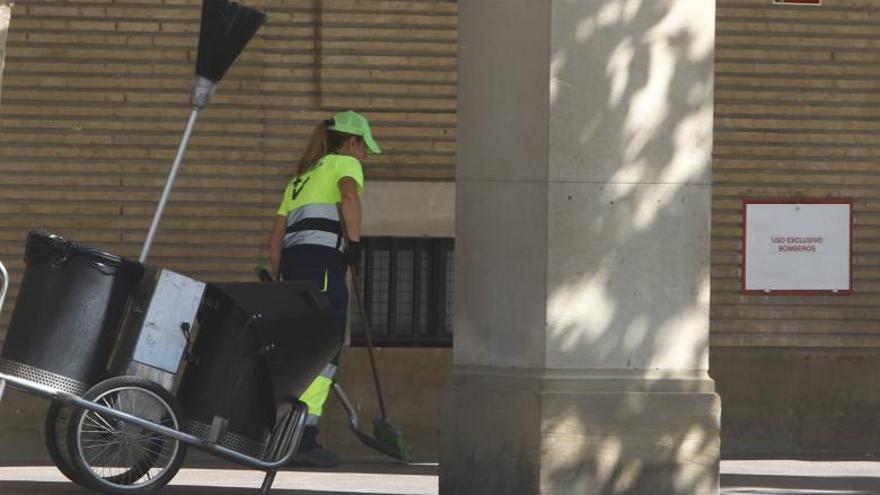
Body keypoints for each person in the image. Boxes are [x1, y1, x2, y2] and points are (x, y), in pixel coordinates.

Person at [267, 110, 381, 467]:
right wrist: (355, 245)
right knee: (325, 348)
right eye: (364, 148)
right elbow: (349, 198)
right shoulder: (343, 165)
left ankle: (283, 432)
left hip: (293, 269)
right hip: (323, 268)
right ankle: (303, 438)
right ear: (351, 142)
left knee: (300, 348)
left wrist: (280, 278)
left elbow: (275, 239)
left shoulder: (299, 180)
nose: (365, 156)